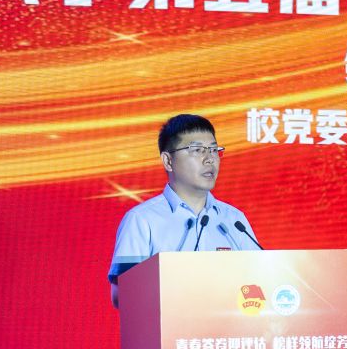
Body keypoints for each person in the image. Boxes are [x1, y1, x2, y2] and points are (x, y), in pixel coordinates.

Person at [108, 114, 261, 304]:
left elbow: (261, 281)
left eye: (214, 150)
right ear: (168, 161)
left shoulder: (235, 220)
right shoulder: (141, 220)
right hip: (169, 323)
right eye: (197, 150)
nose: (210, 159)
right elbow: (121, 294)